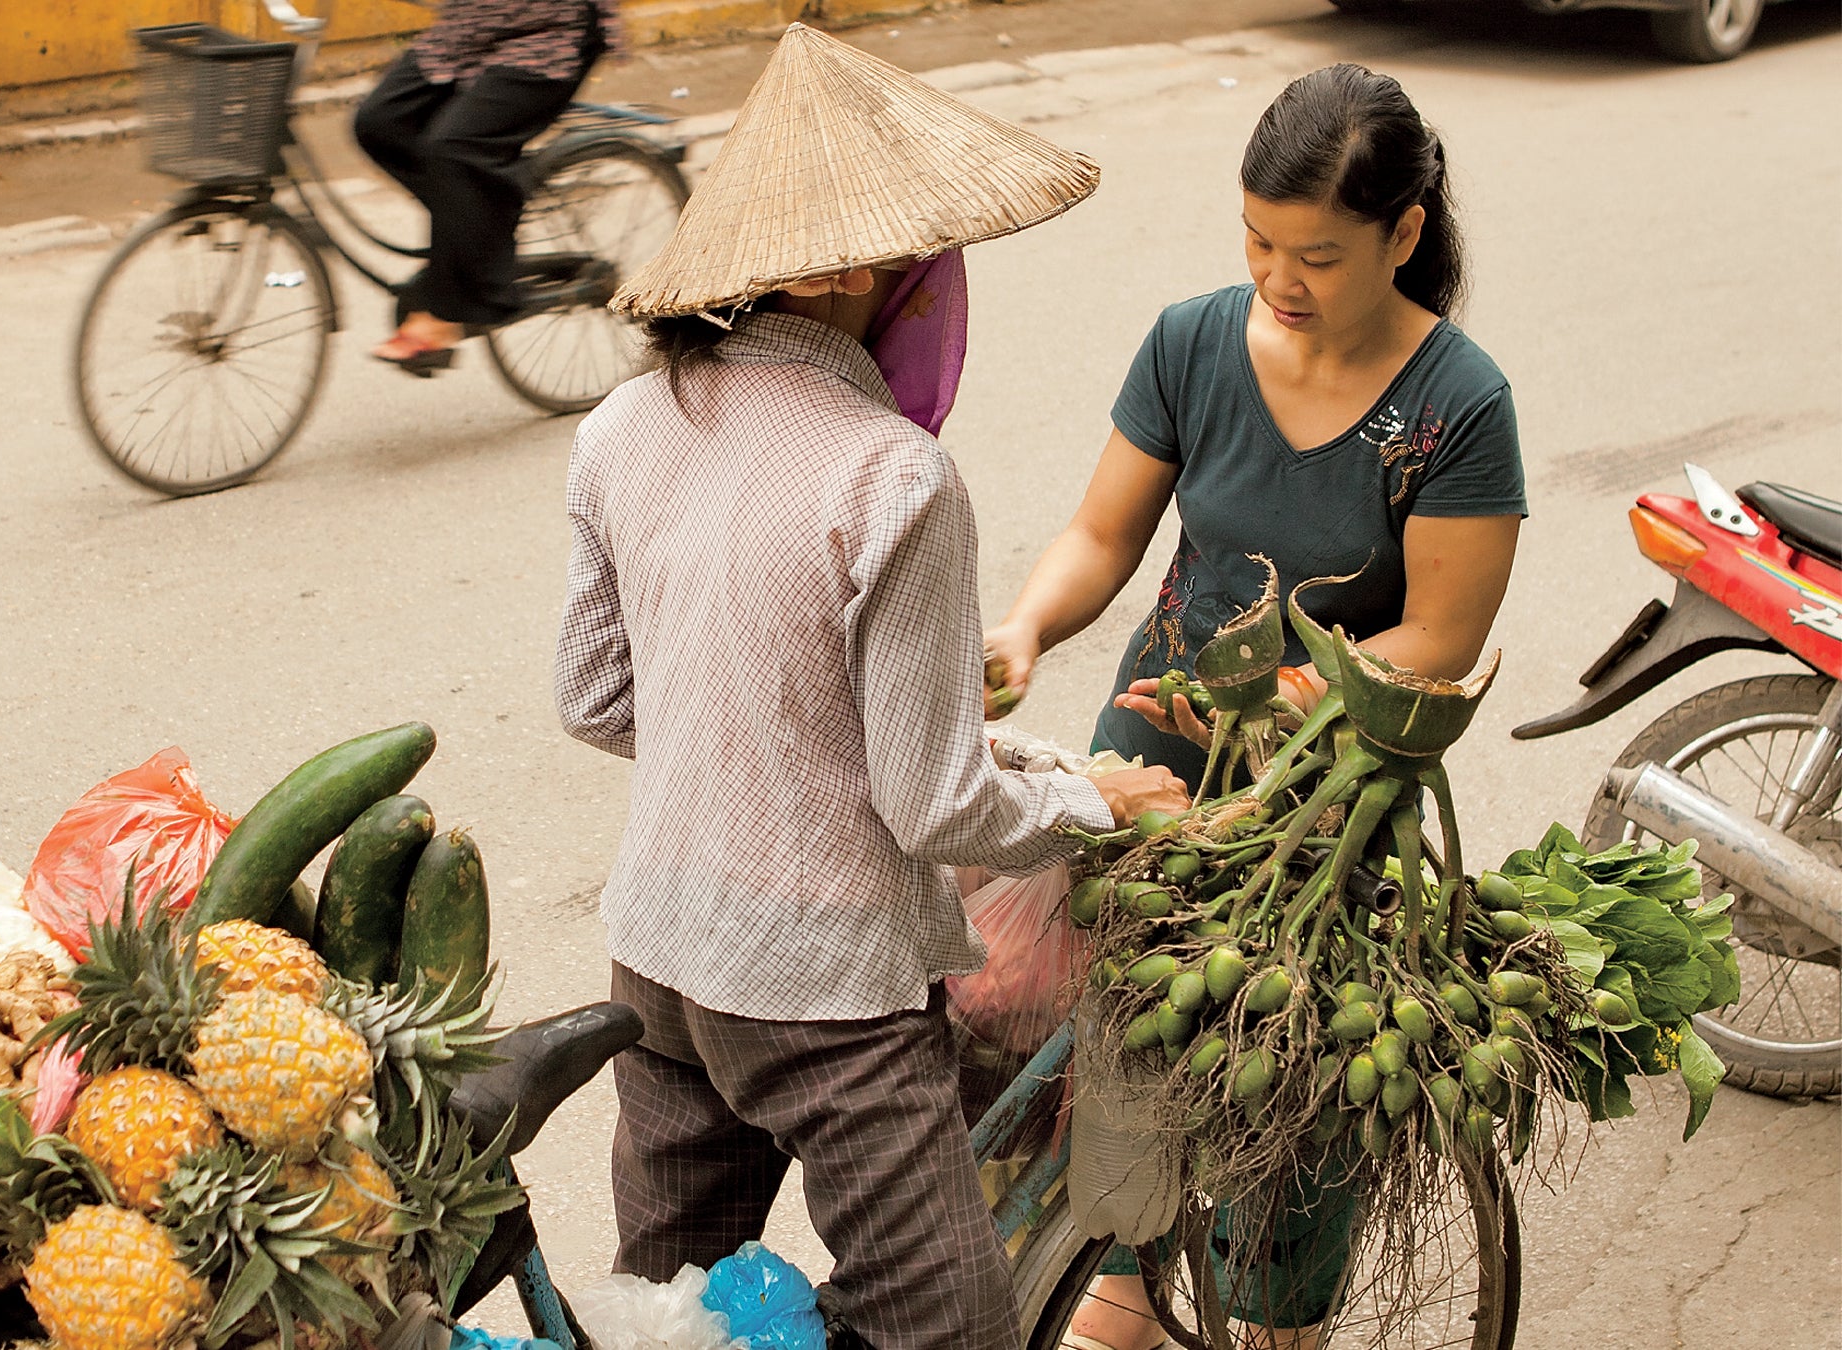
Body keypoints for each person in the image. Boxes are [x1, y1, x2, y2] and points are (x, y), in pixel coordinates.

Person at [552, 25, 1188, 1350]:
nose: (938, 284)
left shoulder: (622, 425)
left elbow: (599, 701)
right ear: (850, 267)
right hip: (821, 993)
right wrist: (1094, 803)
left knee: (666, 1316)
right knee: (946, 1318)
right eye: (924, 257)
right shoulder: (890, 476)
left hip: (662, 958)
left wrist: (752, 757)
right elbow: (930, 798)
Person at [981, 64, 1527, 1350]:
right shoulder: (1193, 340)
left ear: (1403, 234)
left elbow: (1440, 638)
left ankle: (1277, 1324)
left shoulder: (1457, 407)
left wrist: (1271, 695)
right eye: (1259, 241)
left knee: (1286, 1084)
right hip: (1152, 762)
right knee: (1120, 1067)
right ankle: (1113, 1287)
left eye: (1320, 255)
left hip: (1322, 808)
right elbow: (1104, 530)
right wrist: (1029, 623)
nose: (1280, 279)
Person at [352, 0, 614, 375]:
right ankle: (474, 225)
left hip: (548, 32)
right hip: (469, 28)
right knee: (379, 123)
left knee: (453, 149)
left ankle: (446, 311)